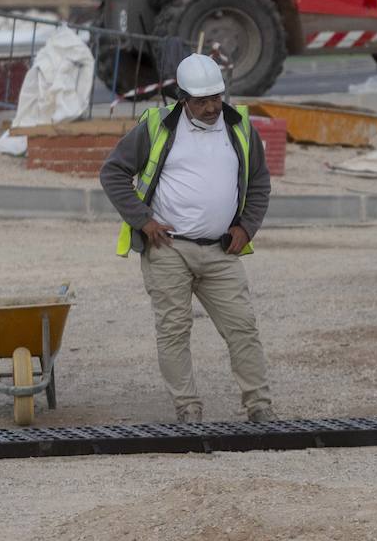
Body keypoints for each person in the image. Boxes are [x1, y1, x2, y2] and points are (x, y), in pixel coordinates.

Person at [99, 53, 276, 423]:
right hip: (169, 249)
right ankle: (187, 408)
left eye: (216, 98)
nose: (212, 107)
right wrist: (144, 221)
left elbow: (259, 181)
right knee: (174, 330)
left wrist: (246, 228)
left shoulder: (240, 127)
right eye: (202, 101)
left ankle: (259, 406)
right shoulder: (156, 127)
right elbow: (113, 172)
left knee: (242, 327)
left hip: (221, 249)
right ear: (183, 98)